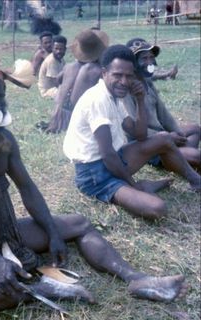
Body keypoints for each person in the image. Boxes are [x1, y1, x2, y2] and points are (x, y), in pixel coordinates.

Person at [0, 55, 188, 315]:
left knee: (80, 224)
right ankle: (39, 289)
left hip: (9, 230)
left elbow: (27, 188)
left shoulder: (3, 139)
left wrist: (52, 232)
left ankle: (136, 279)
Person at [63, 45, 201, 220]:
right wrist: (133, 184)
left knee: (163, 138)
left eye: (128, 76)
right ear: (104, 73)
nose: (124, 81)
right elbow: (107, 155)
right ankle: (140, 187)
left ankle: (196, 181)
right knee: (157, 209)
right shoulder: (97, 100)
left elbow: (140, 135)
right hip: (94, 175)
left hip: (114, 159)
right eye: (117, 75)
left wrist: (140, 100)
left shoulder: (113, 96)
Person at [125, 38, 200, 170]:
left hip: (162, 136)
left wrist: (176, 133)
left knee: (195, 129)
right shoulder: (126, 90)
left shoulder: (147, 82)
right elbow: (133, 130)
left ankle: (176, 159)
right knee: (196, 156)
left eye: (151, 57)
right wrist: (167, 138)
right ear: (132, 63)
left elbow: (164, 115)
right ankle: (173, 158)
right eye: (144, 58)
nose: (150, 62)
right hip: (144, 143)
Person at [47, 29, 108, 133]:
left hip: (58, 115)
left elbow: (57, 81)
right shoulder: (96, 70)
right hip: (76, 118)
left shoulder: (69, 66)